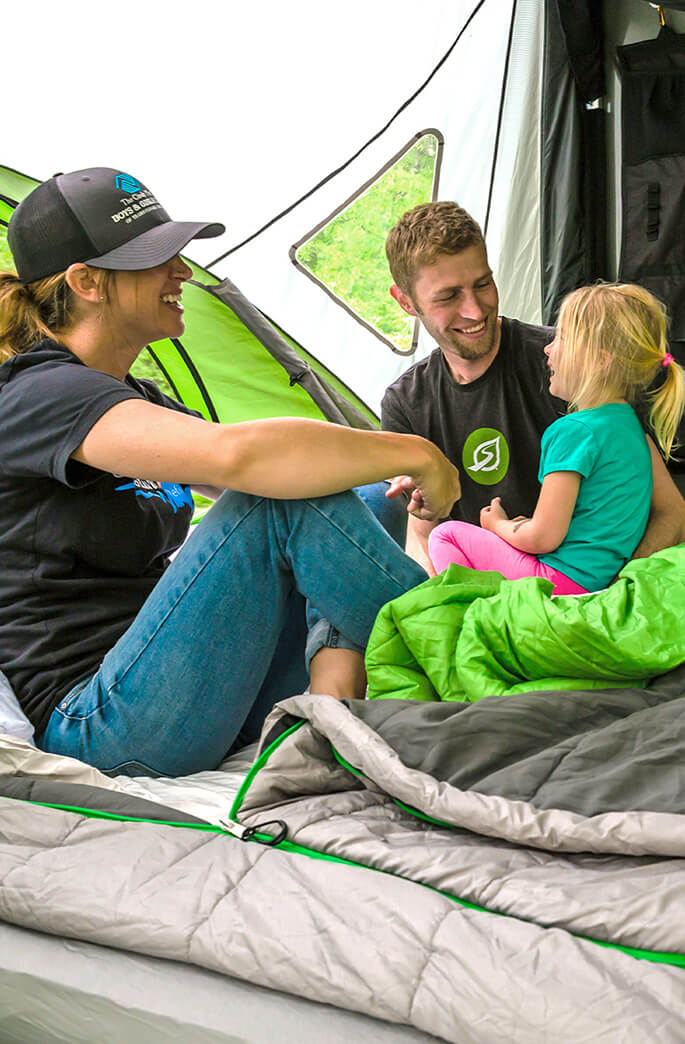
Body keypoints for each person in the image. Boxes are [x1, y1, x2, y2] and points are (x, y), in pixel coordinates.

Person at [0, 167, 460, 778]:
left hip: (202, 692)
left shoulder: (135, 398)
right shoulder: (38, 394)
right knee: (278, 495)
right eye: (154, 258)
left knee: (370, 493)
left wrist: (388, 471)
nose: (182, 272)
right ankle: (466, 650)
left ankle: (331, 703)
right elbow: (244, 460)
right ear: (86, 282)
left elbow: (291, 467)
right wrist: (419, 453)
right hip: (106, 721)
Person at [382, 201, 685, 575]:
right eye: (448, 297)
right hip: (493, 589)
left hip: (582, 589)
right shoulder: (407, 402)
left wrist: (611, 596)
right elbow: (424, 534)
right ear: (406, 301)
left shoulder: (571, 365)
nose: (475, 311)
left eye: (483, 284)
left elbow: (670, 510)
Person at [429, 283, 685, 593]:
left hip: (559, 583)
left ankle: (486, 615)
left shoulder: (573, 431)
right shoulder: (633, 431)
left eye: (562, 337)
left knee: (447, 535)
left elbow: (543, 537)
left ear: (600, 361)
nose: (548, 347)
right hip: (603, 584)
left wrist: (500, 525)